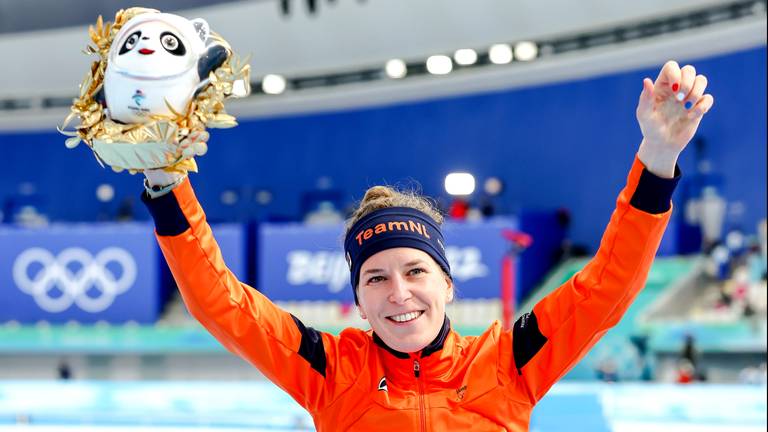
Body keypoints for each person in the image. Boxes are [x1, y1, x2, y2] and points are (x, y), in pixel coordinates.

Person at [136, 61, 712, 430]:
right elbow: (221, 302)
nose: (399, 293)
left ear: (446, 282)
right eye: (376, 278)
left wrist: (658, 162)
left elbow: (609, 285)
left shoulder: (508, 362)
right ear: (359, 302)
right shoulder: (329, 372)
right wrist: (166, 184)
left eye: (415, 271)